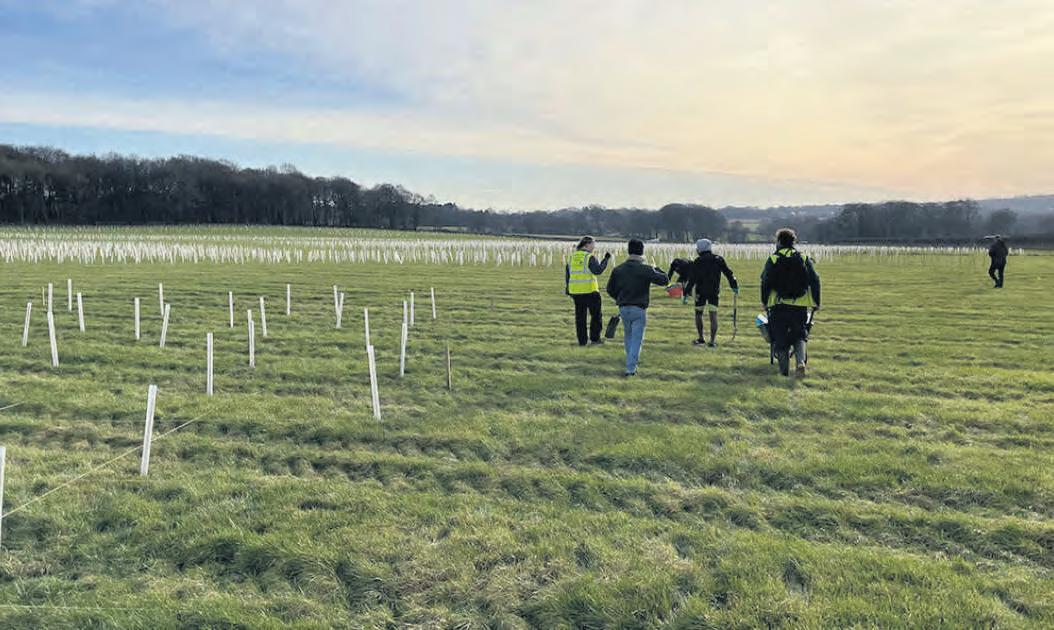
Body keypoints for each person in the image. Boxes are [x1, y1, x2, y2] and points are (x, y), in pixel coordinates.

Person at [760, 228, 821, 378]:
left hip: (778, 304)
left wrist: (764, 301)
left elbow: (765, 281)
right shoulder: (803, 258)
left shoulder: (774, 258)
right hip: (800, 305)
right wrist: (816, 301)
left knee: (779, 336)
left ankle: (784, 371)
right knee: (799, 334)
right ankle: (800, 362)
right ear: (793, 241)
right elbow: (815, 280)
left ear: (779, 242)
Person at [606, 239, 669, 376]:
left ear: (628, 250)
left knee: (628, 337)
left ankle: (630, 362)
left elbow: (609, 289)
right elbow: (665, 280)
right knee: (636, 339)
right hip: (639, 308)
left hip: (623, 308)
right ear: (642, 251)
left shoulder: (618, 269)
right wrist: (656, 268)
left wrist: (619, 298)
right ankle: (630, 368)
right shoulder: (645, 269)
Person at [682, 238, 738, 347]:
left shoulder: (698, 261)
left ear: (700, 249)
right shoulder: (718, 259)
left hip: (700, 292)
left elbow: (692, 279)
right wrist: (734, 285)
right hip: (714, 291)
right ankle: (712, 341)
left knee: (698, 314)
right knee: (713, 315)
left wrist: (686, 293)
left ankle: (701, 338)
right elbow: (728, 273)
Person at [565, 236, 611, 345]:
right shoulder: (589, 257)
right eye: (593, 244)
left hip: (576, 292)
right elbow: (598, 271)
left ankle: (582, 341)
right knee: (596, 316)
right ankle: (595, 339)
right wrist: (606, 259)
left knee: (580, 318)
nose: (594, 247)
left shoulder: (571, 257)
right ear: (587, 245)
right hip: (590, 291)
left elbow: (568, 275)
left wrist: (568, 288)